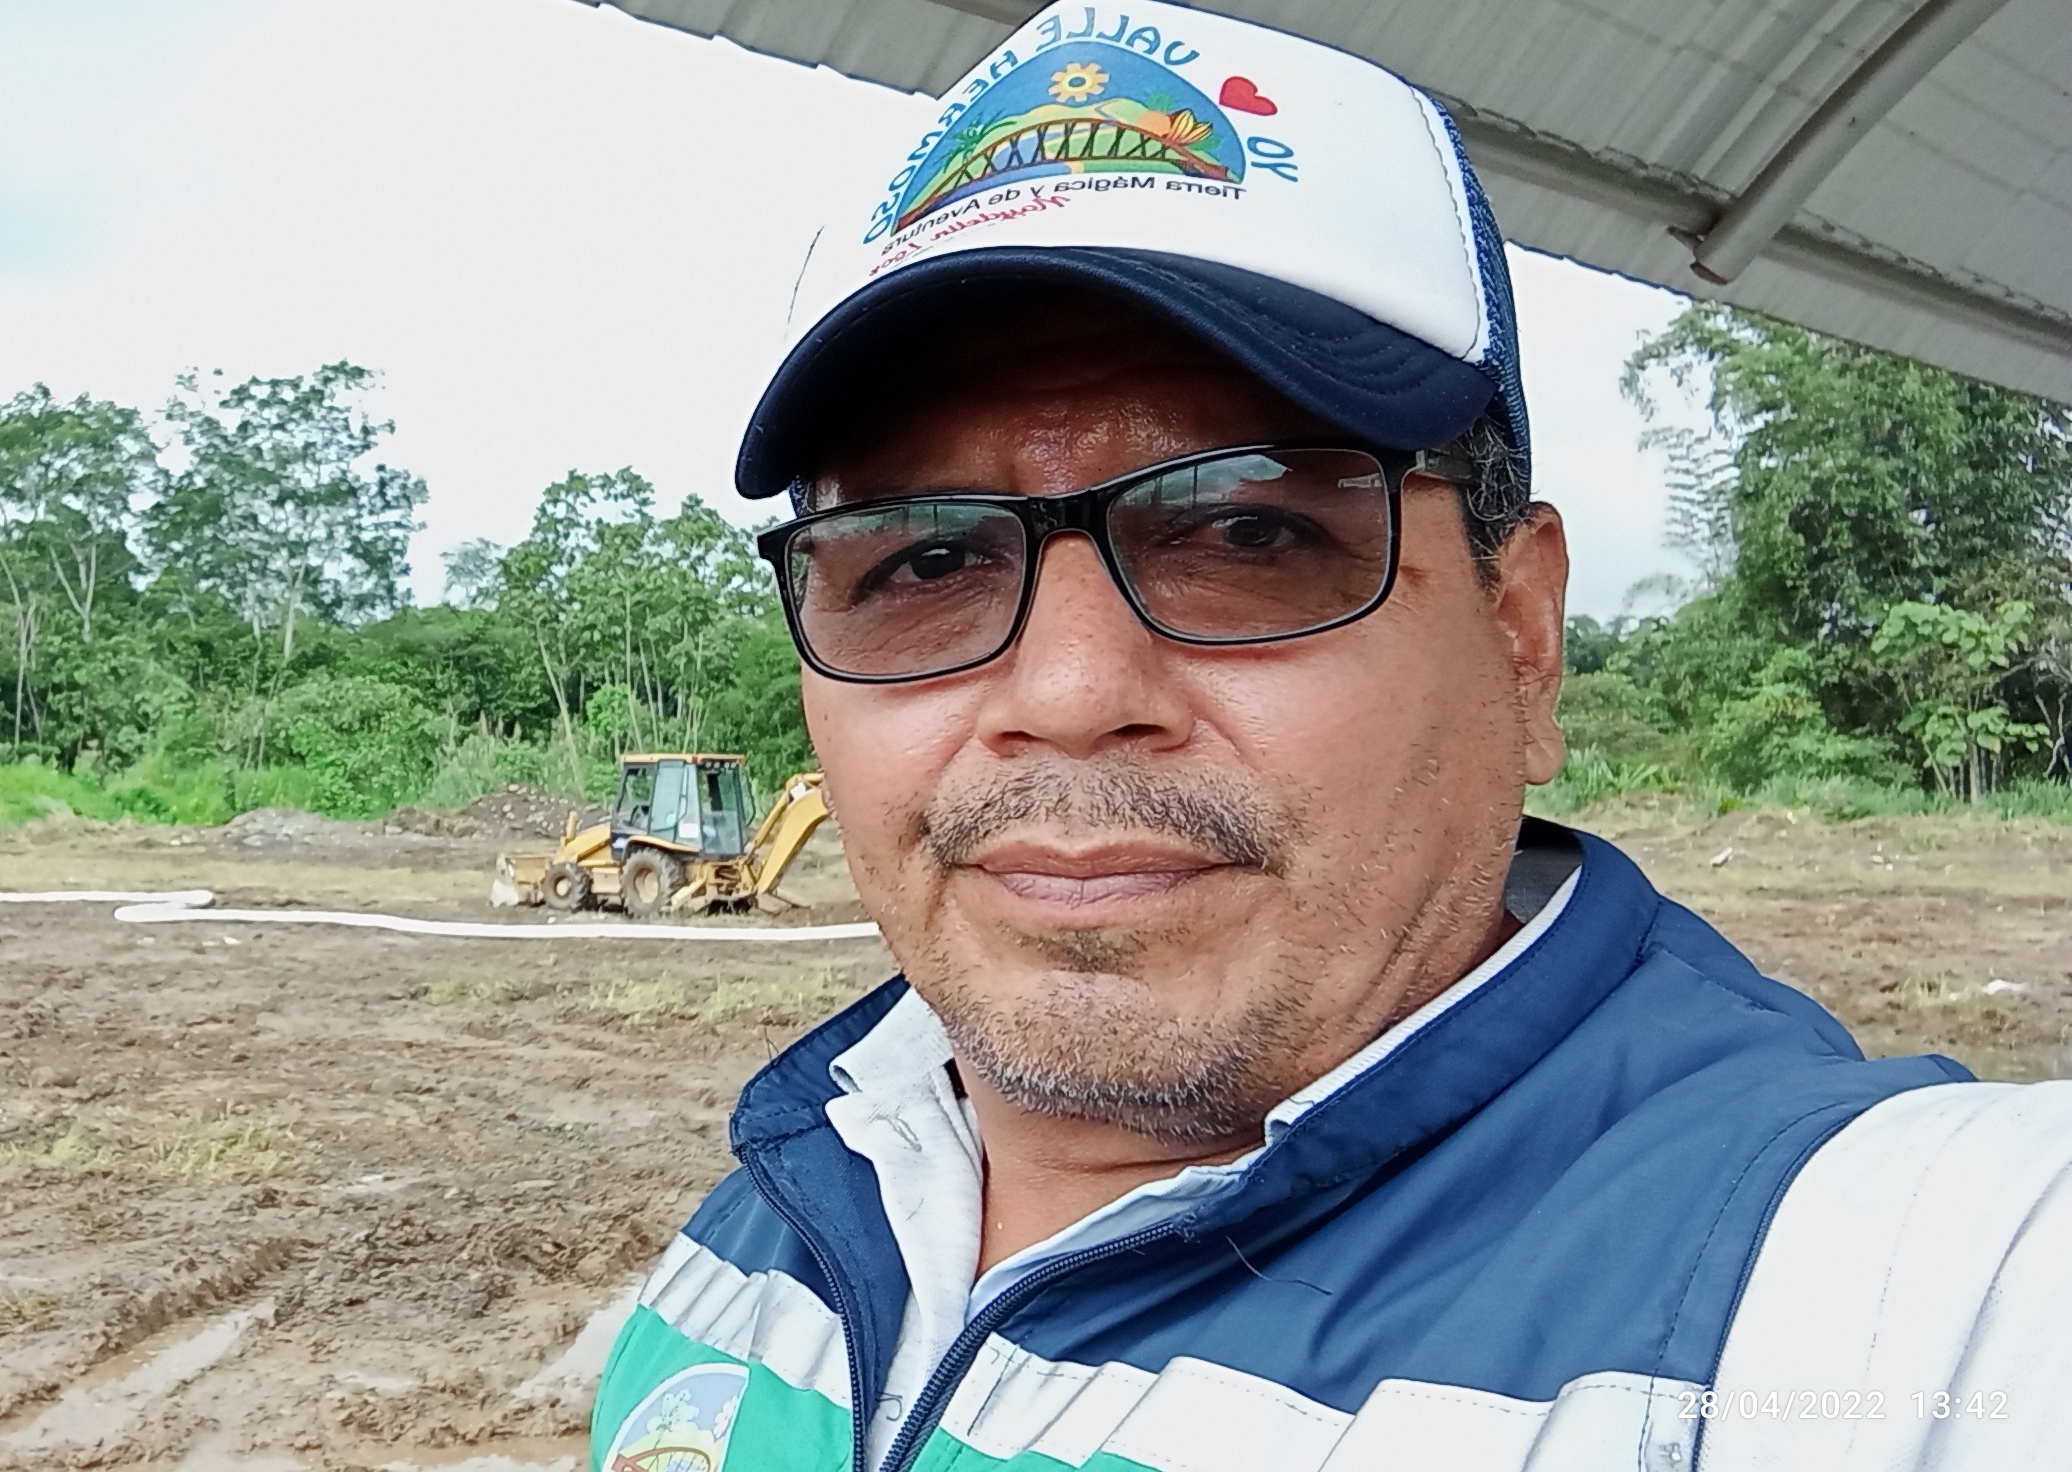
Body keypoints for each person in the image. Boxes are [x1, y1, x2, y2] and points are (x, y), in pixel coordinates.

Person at [587, 5, 2071, 1471]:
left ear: (1520, 637)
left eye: (1248, 533)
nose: (1069, 691)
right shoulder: (802, 1178)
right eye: (923, 561)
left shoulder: (1879, 1288)